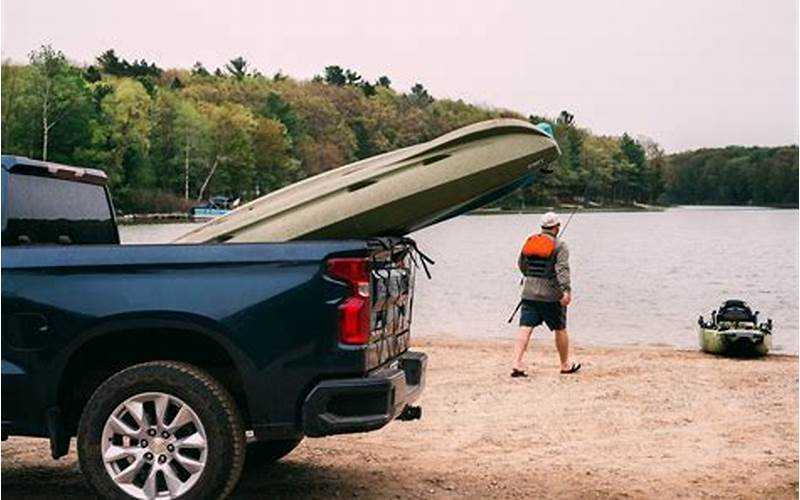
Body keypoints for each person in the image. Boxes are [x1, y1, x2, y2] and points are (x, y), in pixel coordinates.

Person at [510, 211, 580, 376]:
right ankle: (565, 365)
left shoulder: (530, 241)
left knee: (525, 327)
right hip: (551, 296)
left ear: (542, 227)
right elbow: (562, 270)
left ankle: (517, 362)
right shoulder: (560, 245)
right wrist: (566, 290)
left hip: (528, 293)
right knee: (560, 328)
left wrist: (531, 278)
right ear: (556, 227)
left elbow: (521, 264)